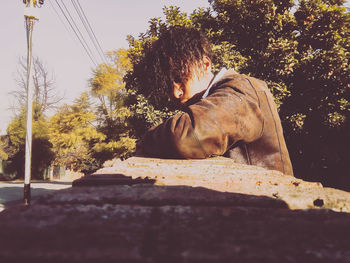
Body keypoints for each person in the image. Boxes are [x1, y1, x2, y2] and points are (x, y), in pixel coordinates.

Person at [136, 26, 293, 176]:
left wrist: (145, 141)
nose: (175, 93)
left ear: (205, 65)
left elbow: (187, 137)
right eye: (168, 85)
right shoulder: (221, 96)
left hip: (270, 200)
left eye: (179, 78)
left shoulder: (242, 88)